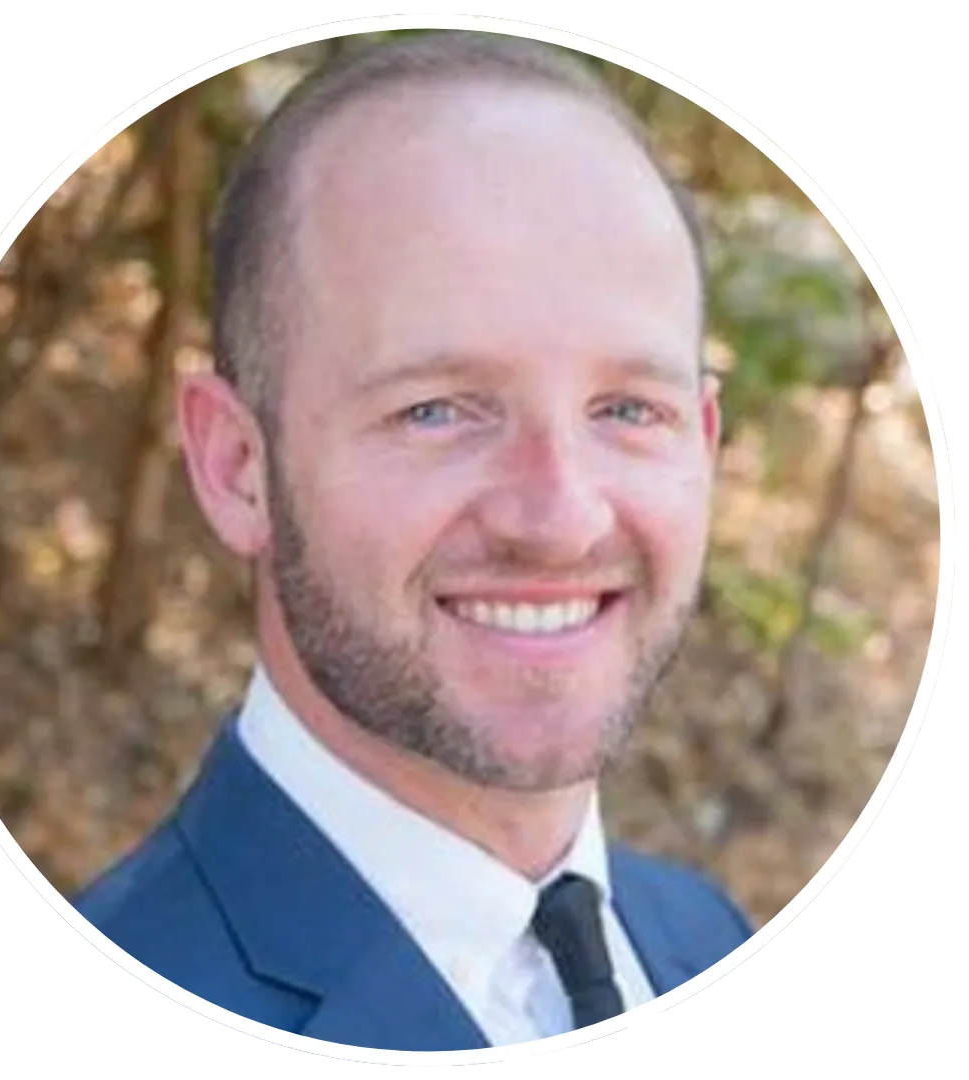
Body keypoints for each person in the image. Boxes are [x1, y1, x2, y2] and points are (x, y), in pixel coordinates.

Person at [74, 30, 754, 1051]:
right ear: (238, 465)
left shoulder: (703, 937)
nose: (561, 519)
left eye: (626, 409)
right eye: (436, 411)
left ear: (702, 440)